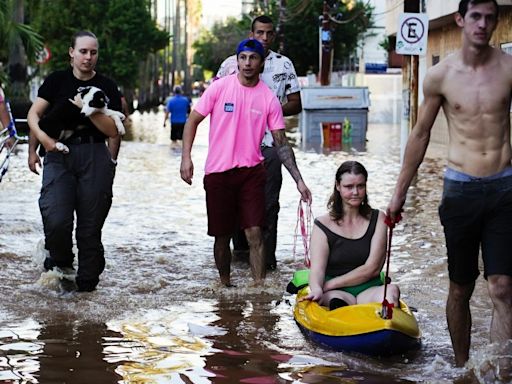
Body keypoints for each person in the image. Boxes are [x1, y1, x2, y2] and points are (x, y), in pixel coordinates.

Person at [387, 0, 512, 367]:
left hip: (504, 188)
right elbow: (421, 135)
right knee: (461, 287)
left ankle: (499, 371)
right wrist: (399, 195)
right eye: (476, 16)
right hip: (460, 190)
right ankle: (462, 368)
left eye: (490, 17)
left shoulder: (508, 68)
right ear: (460, 19)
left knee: (503, 288)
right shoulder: (442, 75)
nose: (483, 24)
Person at [180, 38, 312, 286]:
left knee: (254, 233)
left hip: (251, 173)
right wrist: (186, 158)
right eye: (243, 57)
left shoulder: (269, 99)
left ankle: (259, 289)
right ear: (237, 60)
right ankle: (225, 285)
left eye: (253, 58)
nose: (248, 63)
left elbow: (281, 144)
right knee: (222, 236)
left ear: (261, 63)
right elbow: (193, 121)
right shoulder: (219, 88)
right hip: (218, 173)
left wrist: (299, 181)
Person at [27, 30, 122, 292]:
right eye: (83, 51)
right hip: (58, 154)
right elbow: (36, 116)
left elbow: (113, 130)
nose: (88, 57)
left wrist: (86, 108)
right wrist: (34, 149)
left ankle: (88, 288)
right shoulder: (56, 81)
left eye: (93, 52)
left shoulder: (107, 86)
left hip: (94, 155)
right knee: (56, 219)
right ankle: (61, 264)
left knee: (90, 229)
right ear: (71, 52)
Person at [216, 15, 302, 270]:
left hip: (269, 146)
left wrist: (269, 110)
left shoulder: (283, 64)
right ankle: (241, 254)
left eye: (269, 33)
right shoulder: (230, 65)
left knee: (268, 203)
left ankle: (267, 262)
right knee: (233, 204)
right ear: (251, 34)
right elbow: (214, 101)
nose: (264, 38)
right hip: (233, 149)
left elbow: (296, 102)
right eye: (260, 33)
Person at [302, 161, 400, 310]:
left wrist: (327, 285)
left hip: (369, 289)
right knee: (335, 301)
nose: (355, 192)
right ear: (338, 186)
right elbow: (317, 270)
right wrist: (316, 288)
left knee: (391, 291)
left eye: (360, 186)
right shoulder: (322, 224)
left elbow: (372, 268)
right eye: (349, 187)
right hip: (336, 293)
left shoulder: (379, 218)